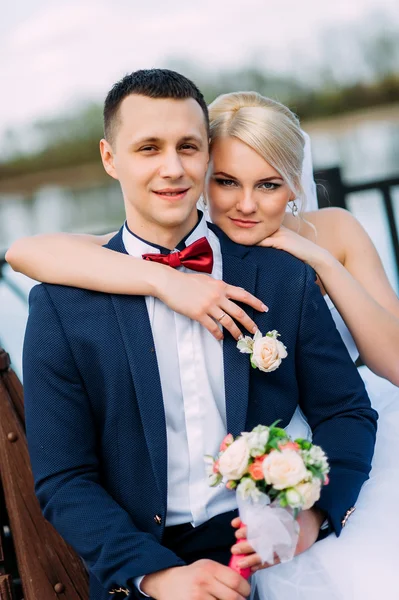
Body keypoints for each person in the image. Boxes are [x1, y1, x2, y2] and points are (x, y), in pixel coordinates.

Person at [15, 70, 377, 600]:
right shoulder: (60, 304)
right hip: (142, 563)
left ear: (208, 155)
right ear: (110, 158)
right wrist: (156, 576)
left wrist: (312, 518)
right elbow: (64, 479)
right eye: (148, 148)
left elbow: (346, 412)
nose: (173, 168)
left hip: (272, 547)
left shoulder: (281, 276)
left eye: (188, 147)